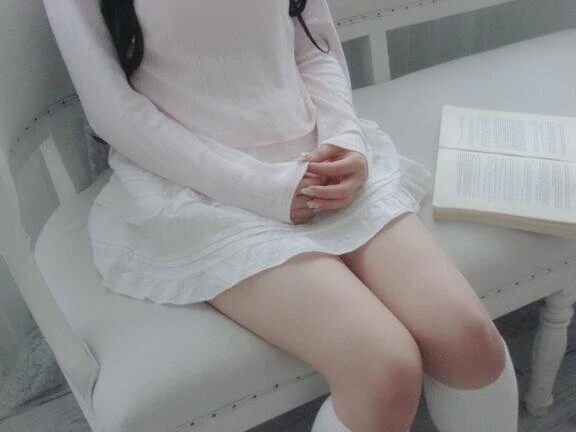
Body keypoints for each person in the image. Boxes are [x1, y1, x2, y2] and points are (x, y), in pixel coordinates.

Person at [43, 1, 519, 431]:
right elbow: (113, 112)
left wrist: (346, 140)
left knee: (470, 341)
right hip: (197, 187)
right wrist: (260, 188)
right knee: (384, 369)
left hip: (317, 155)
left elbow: (314, 46)